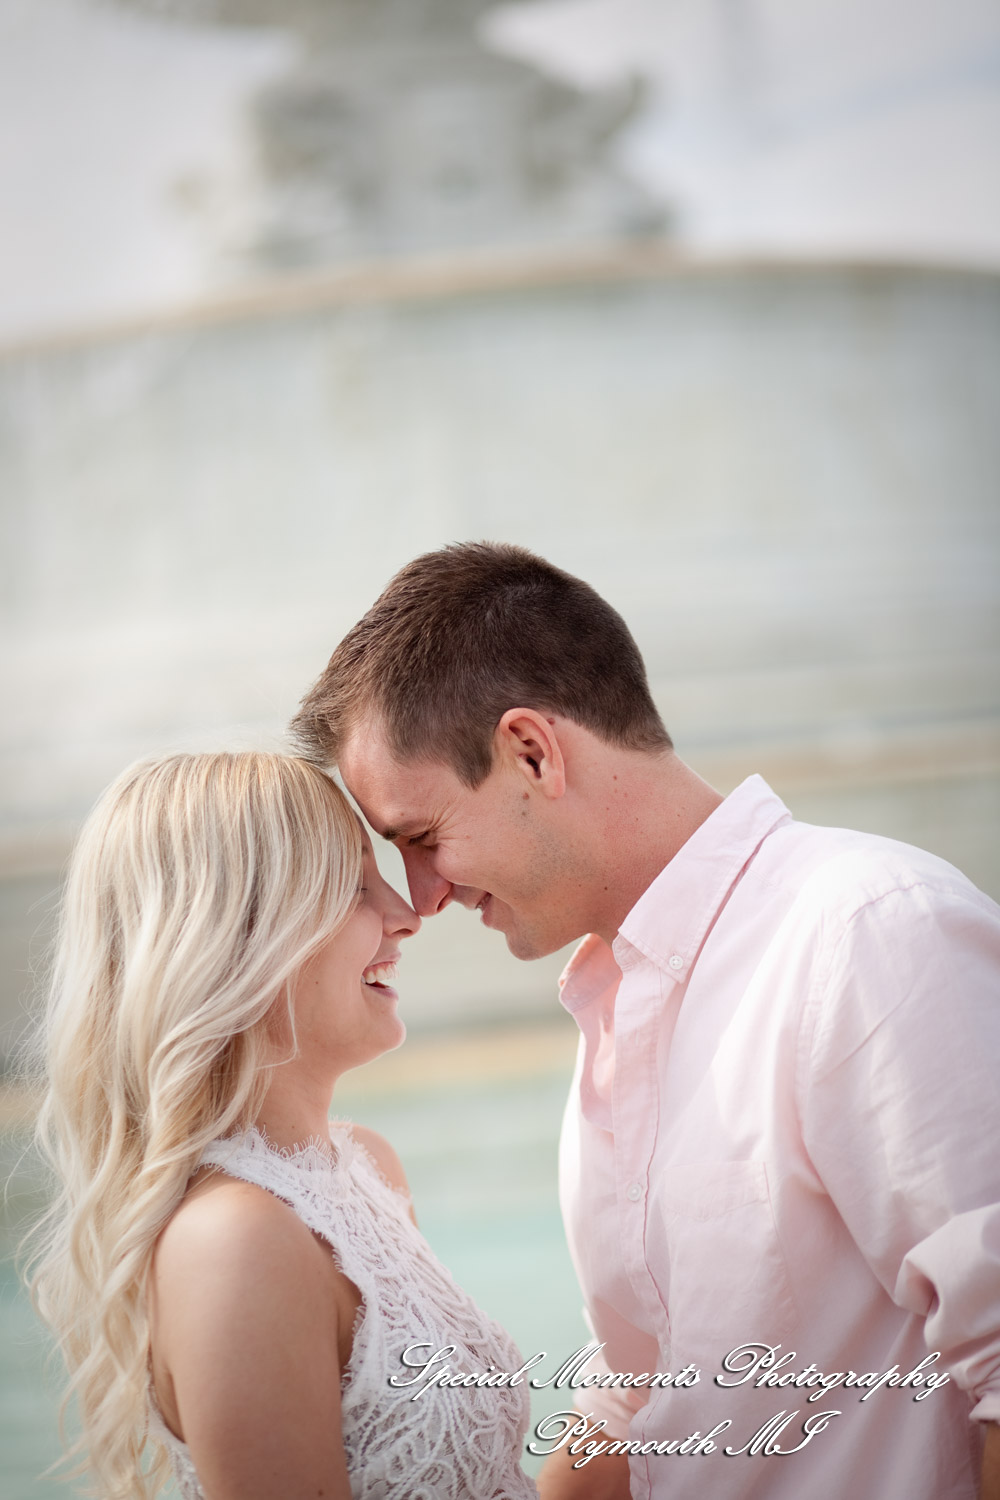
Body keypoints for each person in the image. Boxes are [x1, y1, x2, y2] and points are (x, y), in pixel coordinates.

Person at [291, 541, 1000, 1500]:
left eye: (423, 838)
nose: (421, 896)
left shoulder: (868, 931)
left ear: (532, 753)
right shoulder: (614, 1002)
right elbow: (640, 1400)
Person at [24, 751, 539, 1500]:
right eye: (354, 886)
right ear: (240, 940)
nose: (406, 914)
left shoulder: (367, 1166)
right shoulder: (236, 1239)